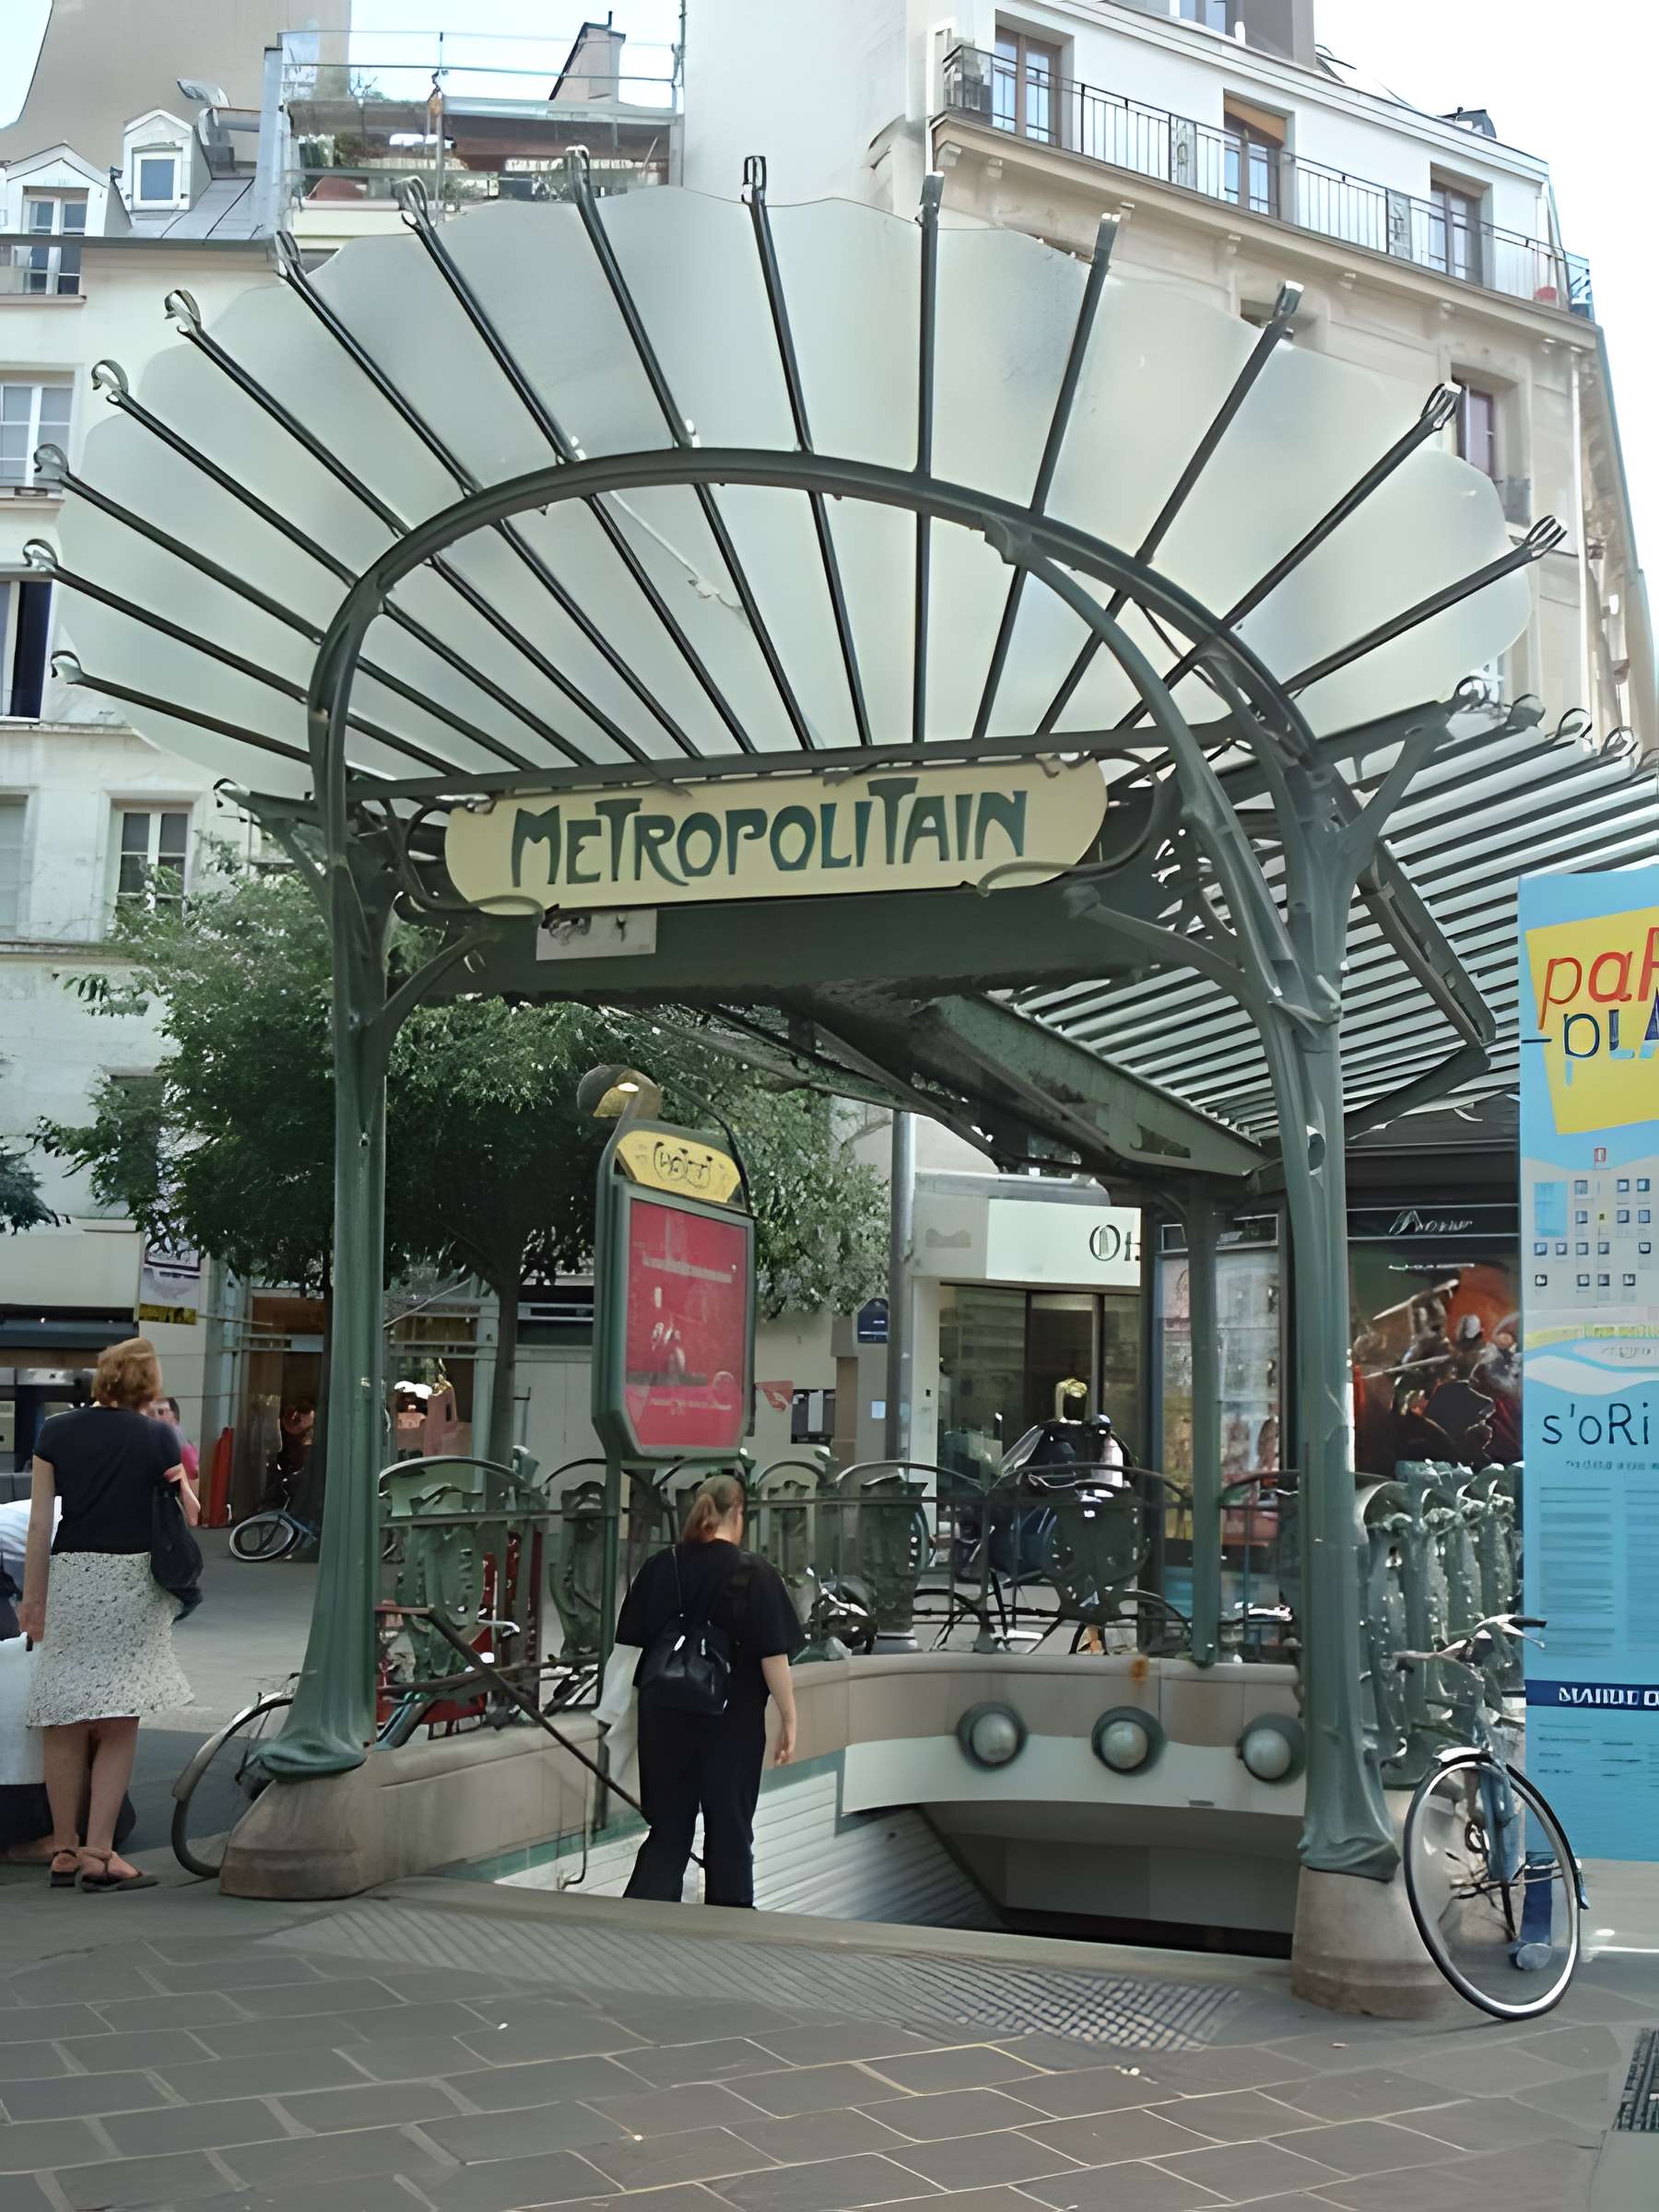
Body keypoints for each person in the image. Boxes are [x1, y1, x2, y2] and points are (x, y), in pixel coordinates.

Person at [18, 1336, 199, 1891]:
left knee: (64, 1715)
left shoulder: (56, 1431)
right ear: (147, 1385)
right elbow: (191, 1513)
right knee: (119, 1717)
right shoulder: (157, 1436)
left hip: (72, 1575)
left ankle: (63, 1849)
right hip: (130, 1579)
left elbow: (39, 1524)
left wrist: (33, 1600)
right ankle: (101, 1854)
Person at [616, 1473, 804, 1909]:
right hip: (730, 1722)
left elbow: (629, 1642)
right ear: (738, 1513)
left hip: (663, 1716)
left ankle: (641, 1921)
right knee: (730, 1831)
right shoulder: (754, 1573)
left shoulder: (663, 1565)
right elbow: (773, 1656)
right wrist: (790, 1719)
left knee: (669, 1829)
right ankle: (730, 1924)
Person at [144, 1396, 199, 1486]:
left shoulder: (179, 1441)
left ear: (175, 1416)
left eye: (161, 1412)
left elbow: (192, 1474)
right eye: (150, 1413)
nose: (155, 1416)